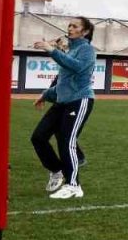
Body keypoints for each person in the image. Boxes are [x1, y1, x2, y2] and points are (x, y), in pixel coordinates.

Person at [30, 17, 97, 200]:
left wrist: (52, 50)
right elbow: (63, 83)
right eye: (69, 25)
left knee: (66, 141)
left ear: (84, 32)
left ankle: (74, 185)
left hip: (80, 100)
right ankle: (56, 170)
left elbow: (77, 68)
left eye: (75, 26)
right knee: (38, 137)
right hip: (62, 102)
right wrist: (45, 95)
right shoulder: (70, 50)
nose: (70, 28)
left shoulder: (87, 50)